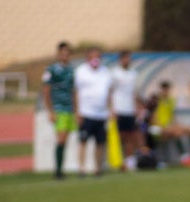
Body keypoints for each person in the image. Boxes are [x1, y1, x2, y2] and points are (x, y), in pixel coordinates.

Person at [73, 46, 113, 177]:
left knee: (100, 143)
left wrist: (111, 109)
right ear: (88, 58)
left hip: (101, 114)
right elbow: (76, 92)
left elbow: (109, 93)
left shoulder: (105, 72)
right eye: (93, 57)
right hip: (86, 113)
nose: (96, 60)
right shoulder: (81, 72)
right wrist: (77, 111)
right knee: (83, 141)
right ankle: (82, 168)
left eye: (98, 57)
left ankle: (98, 168)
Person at [143, 81, 190, 165]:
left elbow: (172, 116)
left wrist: (177, 125)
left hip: (168, 126)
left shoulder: (170, 100)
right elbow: (152, 118)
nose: (166, 92)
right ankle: (184, 156)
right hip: (156, 128)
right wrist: (165, 127)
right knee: (177, 133)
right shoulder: (156, 100)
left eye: (167, 90)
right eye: (164, 90)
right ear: (161, 90)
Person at [41, 41, 74, 179]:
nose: (65, 55)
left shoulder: (72, 70)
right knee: (60, 139)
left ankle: (60, 169)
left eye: (67, 53)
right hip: (58, 109)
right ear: (58, 54)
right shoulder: (51, 70)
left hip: (69, 109)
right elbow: (46, 91)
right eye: (62, 53)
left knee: (65, 140)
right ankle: (58, 171)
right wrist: (50, 111)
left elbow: (74, 91)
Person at [110, 50, 142, 171]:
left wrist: (137, 107)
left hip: (130, 110)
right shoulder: (115, 73)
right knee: (120, 137)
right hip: (119, 109)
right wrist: (112, 108)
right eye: (125, 58)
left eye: (129, 58)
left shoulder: (133, 74)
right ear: (120, 59)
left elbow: (134, 92)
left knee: (130, 136)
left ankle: (130, 161)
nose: (127, 61)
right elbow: (110, 92)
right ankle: (119, 161)